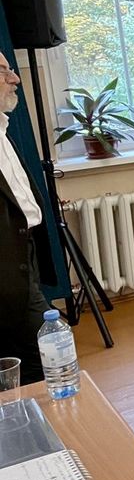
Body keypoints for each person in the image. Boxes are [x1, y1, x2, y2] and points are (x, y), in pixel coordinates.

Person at [0, 52, 51, 384]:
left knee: (29, 358)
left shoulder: (2, 130)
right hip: (6, 267)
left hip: (24, 255)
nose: (15, 78)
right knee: (44, 356)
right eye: (2, 71)